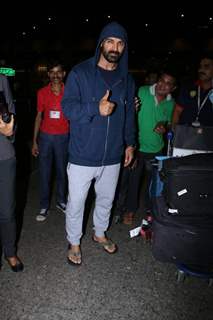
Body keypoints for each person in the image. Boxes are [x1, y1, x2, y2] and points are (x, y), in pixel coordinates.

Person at [62, 21, 136, 265]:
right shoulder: (80, 73)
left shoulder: (127, 80)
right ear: (101, 44)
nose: (115, 47)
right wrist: (96, 108)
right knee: (77, 202)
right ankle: (74, 241)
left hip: (113, 154)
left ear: (124, 47)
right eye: (110, 41)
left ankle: (100, 233)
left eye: (120, 43)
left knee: (106, 199)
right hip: (83, 154)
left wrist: (130, 144)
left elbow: (128, 116)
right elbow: (68, 108)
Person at [118, 71, 176, 225]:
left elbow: (169, 122)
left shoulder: (170, 103)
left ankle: (150, 211)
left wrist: (165, 126)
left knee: (153, 184)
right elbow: (128, 112)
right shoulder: (142, 91)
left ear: (173, 88)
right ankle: (130, 210)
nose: (163, 85)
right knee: (133, 181)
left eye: (168, 83)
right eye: (161, 80)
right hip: (137, 147)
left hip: (157, 150)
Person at [32, 60, 69, 222]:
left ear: (63, 74)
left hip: (64, 137)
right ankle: (44, 205)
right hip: (46, 137)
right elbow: (39, 116)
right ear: (48, 74)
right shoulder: (41, 92)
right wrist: (35, 141)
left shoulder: (70, 92)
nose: (55, 75)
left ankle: (61, 201)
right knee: (45, 173)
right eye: (52, 72)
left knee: (62, 171)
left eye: (58, 72)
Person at [0, 74, 24, 272]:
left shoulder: (1, 79)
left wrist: (10, 130)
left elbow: (11, 115)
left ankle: (9, 251)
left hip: (3, 156)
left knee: (7, 211)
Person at [172, 55, 213, 127]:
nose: (201, 70)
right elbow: (177, 111)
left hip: (207, 136)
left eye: (206, 66)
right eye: (200, 67)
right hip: (185, 134)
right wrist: (174, 131)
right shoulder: (188, 87)